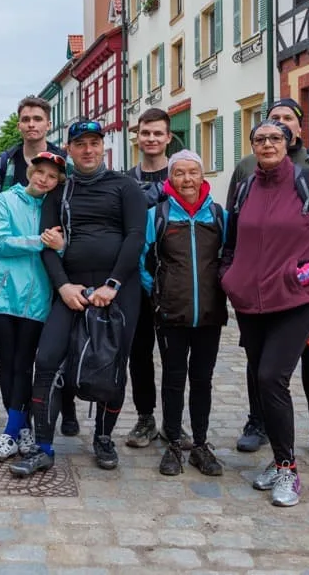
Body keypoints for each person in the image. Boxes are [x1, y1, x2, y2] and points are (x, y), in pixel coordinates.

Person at [219, 120, 309, 506]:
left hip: (294, 298)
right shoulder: (246, 187)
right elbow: (231, 240)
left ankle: (288, 470)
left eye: (275, 138)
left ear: (288, 142)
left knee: (271, 378)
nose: (268, 144)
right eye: (260, 139)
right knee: (261, 379)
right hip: (249, 301)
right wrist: (229, 275)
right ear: (252, 146)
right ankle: (280, 459)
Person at [10, 119, 147, 476]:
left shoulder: (125, 186)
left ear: (103, 146)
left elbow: (135, 236)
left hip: (118, 290)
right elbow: (47, 243)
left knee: (112, 364)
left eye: (94, 143)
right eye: (80, 144)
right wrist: (62, 287)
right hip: (71, 288)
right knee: (47, 360)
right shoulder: (60, 191)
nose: (88, 150)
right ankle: (43, 446)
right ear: (68, 150)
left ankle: (103, 437)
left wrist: (113, 284)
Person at [225, 98, 309, 458]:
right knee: (260, 365)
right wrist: (230, 275)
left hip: (301, 283)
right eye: (270, 123)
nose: (271, 139)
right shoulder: (246, 169)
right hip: (255, 287)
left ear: (296, 129)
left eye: (286, 120)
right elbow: (234, 223)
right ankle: (258, 422)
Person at [0, 96, 80, 436]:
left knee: (57, 350)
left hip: (51, 272)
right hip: (13, 276)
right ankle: (19, 423)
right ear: (19, 124)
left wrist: (63, 245)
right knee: (18, 359)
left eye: (37, 118)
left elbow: (72, 208)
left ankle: (66, 408)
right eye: (26, 119)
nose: (31, 124)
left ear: (47, 123)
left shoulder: (65, 161)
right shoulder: (4, 162)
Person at [139, 149, 227, 478]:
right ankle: (174, 442)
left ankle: (200, 444)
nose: (187, 179)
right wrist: (158, 292)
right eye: (179, 173)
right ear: (170, 178)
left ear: (202, 176)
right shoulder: (157, 215)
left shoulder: (218, 215)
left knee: (202, 379)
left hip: (209, 314)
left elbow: (229, 256)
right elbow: (142, 258)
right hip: (171, 315)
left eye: (193, 172)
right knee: (173, 379)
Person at [0, 151, 65, 461]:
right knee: (9, 362)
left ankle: (16, 430)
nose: (44, 179)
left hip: (36, 297)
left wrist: (59, 246)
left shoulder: (54, 208)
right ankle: (15, 430)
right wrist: (40, 241)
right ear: (30, 171)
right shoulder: (5, 201)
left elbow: (62, 249)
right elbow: (1, 243)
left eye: (52, 177)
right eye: (40, 172)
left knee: (25, 364)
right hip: (2, 295)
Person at [125, 107, 179, 452]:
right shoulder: (126, 180)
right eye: (146, 133)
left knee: (175, 355)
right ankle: (145, 417)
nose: (152, 139)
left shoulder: (182, 175)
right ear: (138, 137)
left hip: (175, 279)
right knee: (139, 353)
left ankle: (174, 421)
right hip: (136, 278)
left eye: (158, 133)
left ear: (168, 137)